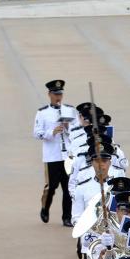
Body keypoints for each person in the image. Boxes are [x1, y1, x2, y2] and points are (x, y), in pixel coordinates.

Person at [33, 79, 77, 227]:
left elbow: (77, 131)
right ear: (49, 94)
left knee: (68, 187)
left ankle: (67, 217)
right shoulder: (42, 112)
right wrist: (51, 132)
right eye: (55, 94)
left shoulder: (69, 110)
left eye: (60, 94)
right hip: (52, 156)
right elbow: (37, 133)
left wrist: (68, 127)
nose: (58, 97)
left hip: (67, 156)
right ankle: (45, 207)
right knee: (51, 187)